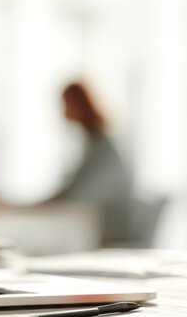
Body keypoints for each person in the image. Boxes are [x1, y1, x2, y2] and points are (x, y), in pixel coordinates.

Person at [54, 82, 136, 246]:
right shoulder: (93, 144)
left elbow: (81, 193)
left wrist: (49, 203)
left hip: (108, 229)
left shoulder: (103, 148)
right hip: (95, 225)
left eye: (66, 104)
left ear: (79, 104)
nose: (63, 111)